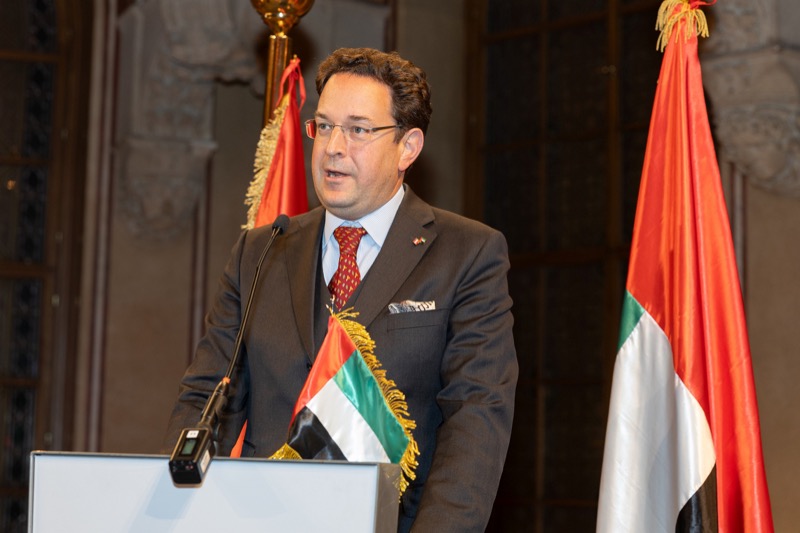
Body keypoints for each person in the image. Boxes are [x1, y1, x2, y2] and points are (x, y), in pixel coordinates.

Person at [164, 47, 518, 532]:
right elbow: (206, 396)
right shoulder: (261, 251)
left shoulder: (466, 255)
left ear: (408, 147)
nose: (333, 146)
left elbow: (475, 419)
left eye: (358, 130)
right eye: (324, 126)